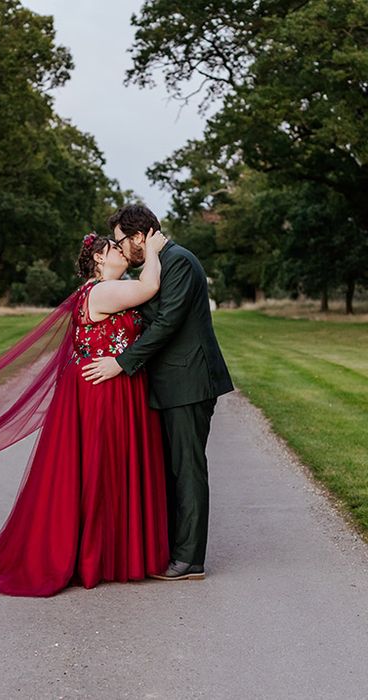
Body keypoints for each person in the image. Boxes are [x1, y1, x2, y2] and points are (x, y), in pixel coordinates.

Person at [0, 230, 170, 596]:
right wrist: (152, 249)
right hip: (101, 389)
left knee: (112, 468)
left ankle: (111, 554)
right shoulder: (101, 290)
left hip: (109, 385)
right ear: (100, 260)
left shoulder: (105, 288)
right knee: (102, 468)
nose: (122, 252)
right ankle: (94, 556)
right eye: (115, 249)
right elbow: (150, 287)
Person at [82, 204, 234, 581]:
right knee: (169, 468)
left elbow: (166, 322)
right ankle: (170, 549)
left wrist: (121, 362)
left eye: (120, 241)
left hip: (189, 381)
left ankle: (189, 560)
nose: (120, 250)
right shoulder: (157, 262)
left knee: (187, 468)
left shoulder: (178, 261)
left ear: (138, 237)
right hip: (169, 382)